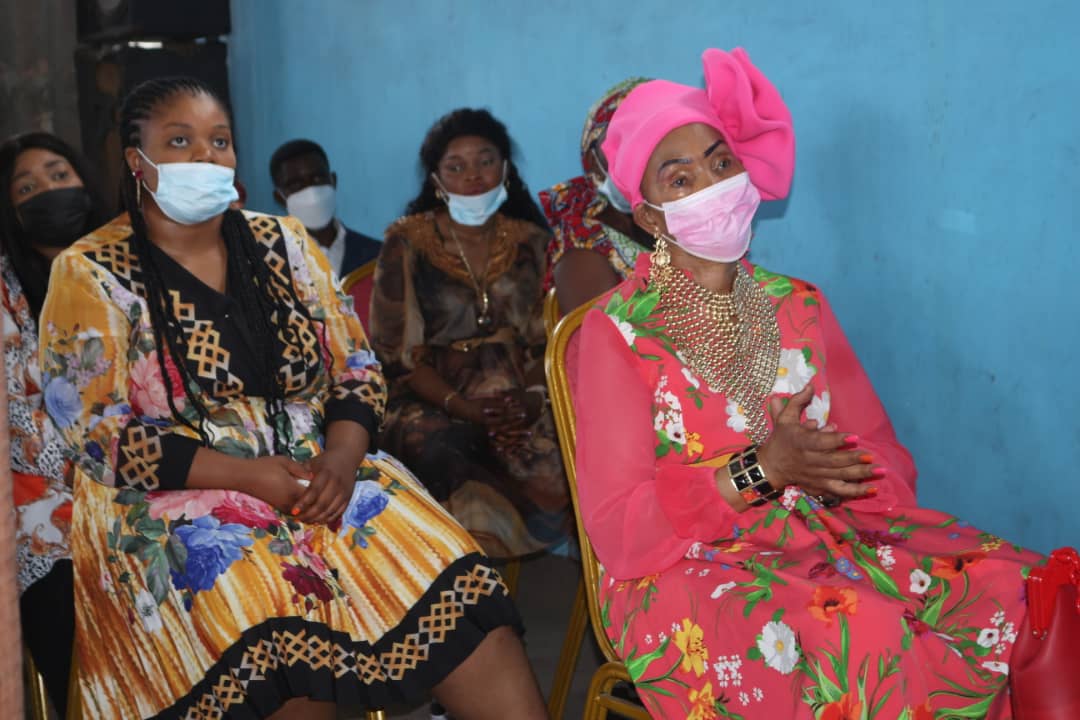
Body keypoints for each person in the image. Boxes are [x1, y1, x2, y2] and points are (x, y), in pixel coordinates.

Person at [38, 76, 546, 720]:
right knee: (281, 636)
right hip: (177, 496)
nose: (206, 157)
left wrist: (340, 459)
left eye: (219, 141)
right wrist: (246, 476)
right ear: (137, 163)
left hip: (323, 471)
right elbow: (96, 433)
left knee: (461, 592)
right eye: (179, 141)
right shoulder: (90, 271)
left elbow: (358, 371)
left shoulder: (283, 243)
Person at [574, 48, 1045, 719]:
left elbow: (886, 459)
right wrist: (760, 470)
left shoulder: (799, 304)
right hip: (687, 569)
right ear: (650, 218)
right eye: (680, 180)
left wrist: (838, 471)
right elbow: (622, 532)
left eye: (720, 162)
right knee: (865, 632)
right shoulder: (618, 333)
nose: (712, 185)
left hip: (827, 533)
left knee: (1020, 586)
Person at [369, 108, 569, 560]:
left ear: (506, 168)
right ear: (436, 180)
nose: (473, 176)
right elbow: (396, 357)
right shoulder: (407, 243)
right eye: (455, 167)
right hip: (430, 397)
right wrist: (461, 407)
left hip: (518, 393)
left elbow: (551, 337)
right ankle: (459, 575)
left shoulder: (533, 242)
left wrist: (536, 396)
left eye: (485, 161)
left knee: (575, 437)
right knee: (449, 445)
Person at [0, 131, 108, 715]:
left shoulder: (131, 268)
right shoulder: (7, 292)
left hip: (162, 489)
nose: (46, 191)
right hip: (52, 519)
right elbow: (23, 428)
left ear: (85, 184)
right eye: (26, 186)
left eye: (57, 174)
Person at [539, 78, 655, 316]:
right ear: (593, 164)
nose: (642, 156)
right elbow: (599, 344)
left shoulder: (687, 228)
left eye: (655, 141)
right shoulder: (585, 246)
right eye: (622, 142)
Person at [271, 139, 381, 277]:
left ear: (333, 181)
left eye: (317, 179)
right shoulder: (272, 264)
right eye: (296, 184)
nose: (310, 191)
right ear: (279, 197)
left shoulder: (377, 256)